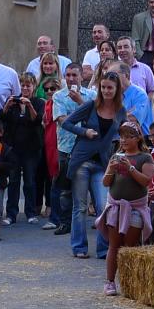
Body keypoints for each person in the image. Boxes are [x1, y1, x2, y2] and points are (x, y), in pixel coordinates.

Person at [62, 71, 127, 259]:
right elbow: (67, 123)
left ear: (116, 90)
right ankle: (79, 247)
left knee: (102, 206)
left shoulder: (120, 110)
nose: (106, 91)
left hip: (103, 163)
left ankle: (103, 248)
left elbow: (123, 133)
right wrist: (84, 132)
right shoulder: (91, 106)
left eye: (110, 88)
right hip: (82, 161)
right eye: (104, 87)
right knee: (80, 207)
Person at [97, 121, 154, 296]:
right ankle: (110, 281)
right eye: (122, 136)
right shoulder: (115, 156)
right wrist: (112, 170)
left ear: (138, 138)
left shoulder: (145, 157)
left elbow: (146, 181)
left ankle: (131, 282)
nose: (124, 140)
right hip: (115, 206)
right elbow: (106, 182)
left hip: (135, 208)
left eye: (129, 136)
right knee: (114, 245)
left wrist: (130, 168)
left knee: (130, 245)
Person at [52, 63, 97, 236]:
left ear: (81, 77)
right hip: (67, 146)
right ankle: (65, 222)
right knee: (66, 188)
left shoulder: (91, 95)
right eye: (68, 75)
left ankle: (96, 220)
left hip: (88, 148)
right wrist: (83, 130)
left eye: (74, 75)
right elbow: (62, 120)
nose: (71, 79)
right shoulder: (59, 96)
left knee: (91, 186)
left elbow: (97, 117)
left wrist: (80, 102)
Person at [0, 72, 44, 225]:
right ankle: (11, 214)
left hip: (31, 149)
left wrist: (29, 105)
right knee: (13, 181)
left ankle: (30, 212)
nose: (25, 88)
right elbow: (2, 119)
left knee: (30, 181)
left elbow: (36, 120)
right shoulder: (13, 101)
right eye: (23, 85)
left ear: (34, 87)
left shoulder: (38, 102)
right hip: (14, 148)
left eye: (28, 85)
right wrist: (7, 106)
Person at [107, 61, 153, 137]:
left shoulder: (140, 95)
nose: (110, 79)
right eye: (108, 75)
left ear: (127, 76)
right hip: (117, 142)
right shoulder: (111, 95)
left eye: (114, 75)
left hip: (140, 143)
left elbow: (131, 121)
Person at [39, 77, 61, 228]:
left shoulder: (61, 103)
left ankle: (56, 217)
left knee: (58, 181)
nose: (49, 92)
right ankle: (56, 216)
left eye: (52, 89)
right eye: (46, 89)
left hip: (59, 143)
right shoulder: (47, 104)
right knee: (53, 179)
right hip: (49, 143)